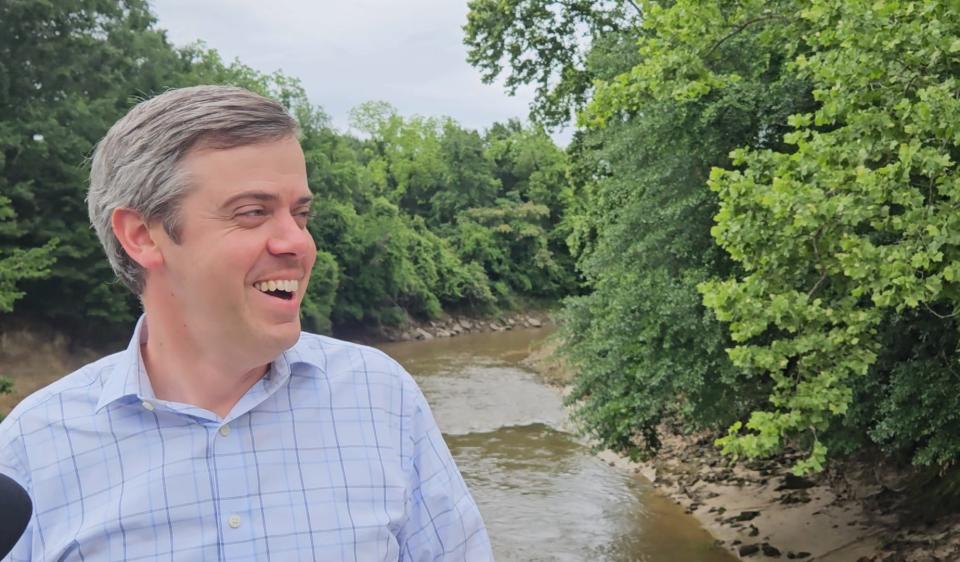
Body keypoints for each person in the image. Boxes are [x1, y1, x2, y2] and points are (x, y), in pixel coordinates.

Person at [0, 85, 493, 561]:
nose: (297, 243)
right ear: (142, 236)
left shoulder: (382, 396)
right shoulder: (32, 447)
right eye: (253, 213)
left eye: (301, 215)